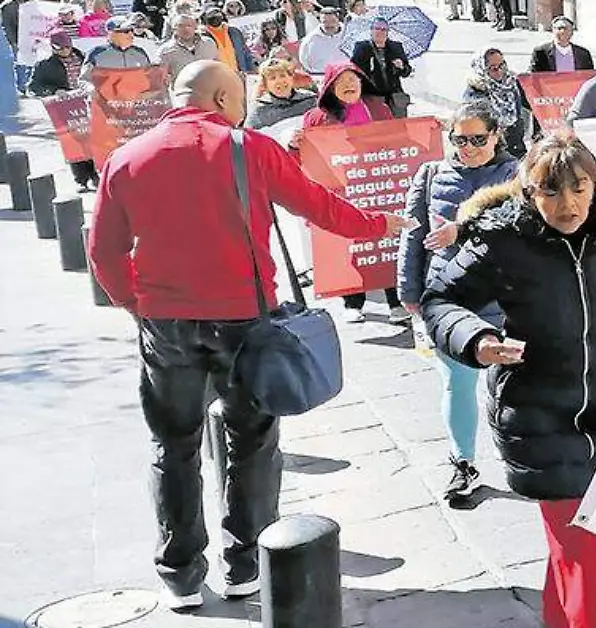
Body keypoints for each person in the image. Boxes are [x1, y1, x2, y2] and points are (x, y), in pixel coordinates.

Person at [90, 60, 405, 609]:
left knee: (173, 446)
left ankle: (180, 576)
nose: (241, 109)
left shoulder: (126, 158)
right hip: (244, 320)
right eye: (237, 99)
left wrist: (135, 305)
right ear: (219, 99)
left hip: (165, 323)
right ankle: (245, 566)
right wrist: (378, 225)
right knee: (252, 442)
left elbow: (104, 252)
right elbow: (318, 207)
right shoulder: (249, 147)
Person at [421, 132, 596, 628]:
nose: (568, 204)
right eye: (551, 191)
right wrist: (475, 339)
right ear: (527, 191)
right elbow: (441, 299)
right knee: (585, 554)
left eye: (579, 188)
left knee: (593, 552)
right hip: (539, 419)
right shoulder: (501, 238)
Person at [397, 105, 518, 509]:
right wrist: (408, 288)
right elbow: (412, 236)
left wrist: (461, 229)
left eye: (477, 139)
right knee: (457, 383)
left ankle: (519, 456)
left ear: (496, 135)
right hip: (449, 298)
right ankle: (463, 462)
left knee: (511, 384)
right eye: (460, 140)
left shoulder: (516, 174)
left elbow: (520, 224)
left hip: (506, 295)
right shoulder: (430, 175)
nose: (468, 148)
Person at [302, 61, 402, 321]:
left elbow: (399, 139)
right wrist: (293, 144)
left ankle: (395, 300)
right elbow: (306, 156)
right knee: (349, 245)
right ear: (329, 88)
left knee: (386, 241)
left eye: (353, 80)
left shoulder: (379, 109)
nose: (348, 85)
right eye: (340, 81)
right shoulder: (316, 117)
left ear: (362, 83)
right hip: (341, 190)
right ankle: (352, 302)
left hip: (377, 184)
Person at [29, 32, 99, 190]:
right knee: (74, 141)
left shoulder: (84, 57)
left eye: (68, 47)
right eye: (60, 48)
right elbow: (33, 87)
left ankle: (95, 174)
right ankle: (81, 179)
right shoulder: (45, 64)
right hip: (65, 106)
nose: (65, 51)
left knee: (93, 139)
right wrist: (54, 91)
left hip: (87, 101)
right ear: (53, 48)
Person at [462, 47, 533, 157]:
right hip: (490, 154)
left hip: (516, 148)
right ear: (481, 69)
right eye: (493, 68)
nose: (499, 71)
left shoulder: (512, 83)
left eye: (502, 66)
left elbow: (531, 104)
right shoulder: (475, 92)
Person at [351, 16, 413, 118]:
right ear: (371, 31)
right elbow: (354, 69)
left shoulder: (396, 47)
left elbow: (407, 72)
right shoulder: (362, 47)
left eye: (384, 29)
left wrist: (402, 66)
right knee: (377, 128)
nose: (380, 32)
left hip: (394, 96)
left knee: (398, 128)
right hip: (372, 95)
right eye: (377, 28)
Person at [244, 58, 316, 130]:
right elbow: (249, 135)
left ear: (291, 77)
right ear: (265, 85)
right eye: (273, 78)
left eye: (283, 75)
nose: (279, 81)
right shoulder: (259, 110)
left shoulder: (310, 101)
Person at [84, 16, 155, 78]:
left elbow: (150, 77)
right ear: (111, 34)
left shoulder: (140, 53)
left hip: (137, 93)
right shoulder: (96, 54)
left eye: (132, 30)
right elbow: (85, 80)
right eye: (126, 31)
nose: (131, 34)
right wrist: (92, 89)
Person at [160, 15, 219, 84]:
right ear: (173, 29)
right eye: (180, 26)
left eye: (189, 25)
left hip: (210, 89)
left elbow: (218, 64)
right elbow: (162, 78)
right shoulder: (165, 50)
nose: (186, 29)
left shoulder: (208, 43)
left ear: (195, 27)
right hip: (184, 92)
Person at [199, 6, 257, 75]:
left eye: (217, 13)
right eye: (211, 14)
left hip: (239, 74)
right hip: (219, 77)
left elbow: (245, 52)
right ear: (204, 18)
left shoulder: (234, 31)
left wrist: (250, 69)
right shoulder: (202, 37)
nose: (215, 16)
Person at [530, 16, 595, 73]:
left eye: (566, 28)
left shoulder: (583, 54)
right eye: (559, 28)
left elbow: (590, 77)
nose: (562, 32)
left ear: (572, 32)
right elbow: (533, 75)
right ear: (553, 30)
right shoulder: (541, 52)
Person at [298, 7, 351, 75]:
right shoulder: (310, 40)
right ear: (320, 21)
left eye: (333, 21)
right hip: (321, 76)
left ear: (338, 20)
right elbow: (303, 61)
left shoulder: (349, 35)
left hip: (345, 75)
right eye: (325, 22)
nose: (329, 25)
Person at [2, 0, 30, 92]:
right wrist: (13, 42)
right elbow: (7, 26)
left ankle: (29, 85)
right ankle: (21, 87)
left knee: (31, 62)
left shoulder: (31, 2)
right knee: (19, 63)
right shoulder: (6, 6)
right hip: (16, 38)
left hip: (29, 37)